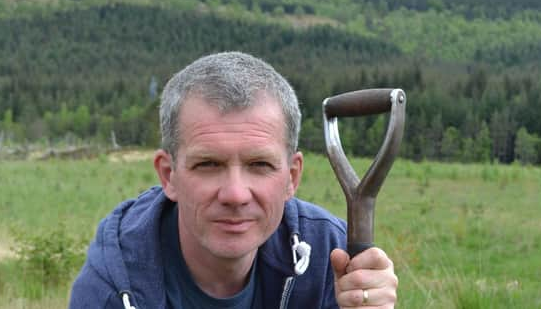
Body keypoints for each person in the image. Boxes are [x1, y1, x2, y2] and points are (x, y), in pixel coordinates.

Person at [69, 51, 398, 309]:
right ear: (169, 176)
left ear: (291, 177)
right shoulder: (114, 287)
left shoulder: (330, 258)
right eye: (209, 164)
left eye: (259, 164)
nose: (236, 194)